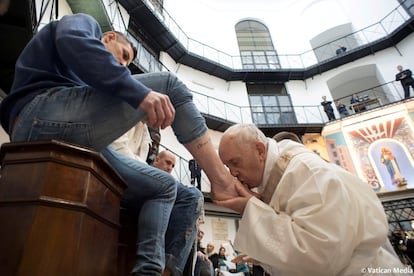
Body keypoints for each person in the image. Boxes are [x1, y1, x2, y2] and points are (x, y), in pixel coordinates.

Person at [0, 13, 240, 275]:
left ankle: (151, 271)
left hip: (77, 136)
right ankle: (222, 181)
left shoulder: (94, 84)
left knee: (169, 188)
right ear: (109, 37)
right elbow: (73, 40)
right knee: (169, 85)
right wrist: (139, 93)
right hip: (39, 113)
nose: (124, 66)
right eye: (124, 55)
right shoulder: (83, 23)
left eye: (127, 63)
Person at [216, 124, 406, 275]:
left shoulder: (309, 173)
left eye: (235, 162)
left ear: (260, 151)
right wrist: (261, 255)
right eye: (227, 166)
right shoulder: (282, 175)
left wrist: (251, 209)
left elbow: (320, 257)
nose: (232, 173)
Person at [112, 120, 204, 276]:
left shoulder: (146, 134)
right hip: (120, 179)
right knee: (188, 195)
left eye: (173, 165)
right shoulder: (123, 114)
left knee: (192, 205)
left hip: (139, 184)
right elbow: (118, 152)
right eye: (167, 163)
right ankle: (162, 272)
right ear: (157, 160)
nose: (170, 167)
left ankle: (167, 271)